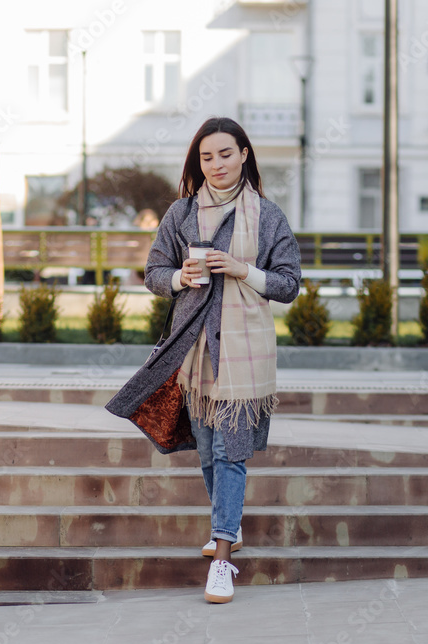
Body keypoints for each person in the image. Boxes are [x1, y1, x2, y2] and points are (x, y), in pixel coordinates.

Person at [105, 117, 301, 604]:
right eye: (206, 157)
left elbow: (289, 284)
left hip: (245, 351)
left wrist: (241, 269)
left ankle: (222, 559)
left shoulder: (269, 216)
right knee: (211, 454)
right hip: (194, 352)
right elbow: (153, 272)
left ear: (245, 155)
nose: (216, 164)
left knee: (230, 454)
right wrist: (180, 278)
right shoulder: (182, 213)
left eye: (225, 154)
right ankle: (227, 527)